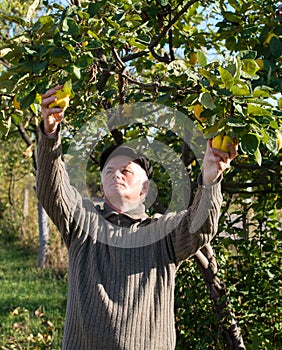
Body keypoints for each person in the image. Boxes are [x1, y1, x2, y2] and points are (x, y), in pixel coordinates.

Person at [37, 85, 237, 350]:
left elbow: (200, 226)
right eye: (108, 170)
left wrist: (211, 177)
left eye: (126, 170)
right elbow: (53, 189)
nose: (115, 174)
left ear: (145, 190)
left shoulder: (162, 232)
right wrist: (50, 134)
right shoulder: (83, 223)